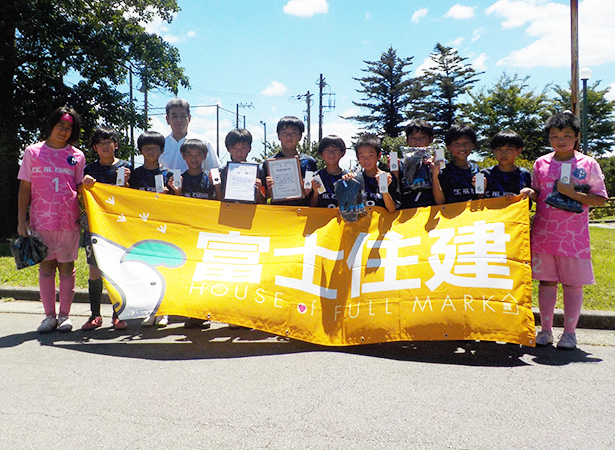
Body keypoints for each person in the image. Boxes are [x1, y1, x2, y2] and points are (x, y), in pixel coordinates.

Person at [532, 111, 608, 349]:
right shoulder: (540, 163)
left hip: (574, 238)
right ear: (549, 139)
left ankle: (570, 334)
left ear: (576, 137)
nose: (560, 140)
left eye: (566, 135)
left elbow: (600, 199)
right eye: (555, 136)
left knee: (573, 285)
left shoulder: (588, 164)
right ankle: (545, 331)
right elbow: (538, 194)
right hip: (544, 235)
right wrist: (528, 193)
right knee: (546, 282)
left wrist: (572, 193)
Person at [17, 106, 87, 333]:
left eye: (69, 128)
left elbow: (80, 188)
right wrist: (21, 220)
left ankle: (65, 316)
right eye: (60, 125)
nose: (64, 130)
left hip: (69, 222)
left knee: (67, 267)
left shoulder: (77, 156)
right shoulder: (32, 152)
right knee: (46, 267)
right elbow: (25, 187)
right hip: (41, 222)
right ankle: (49, 316)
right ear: (51, 125)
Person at [81, 127, 132, 331]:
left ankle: (118, 315)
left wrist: (127, 183)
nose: (105, 146)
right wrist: (84, 185)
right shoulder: (89, 169)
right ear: (95, 147)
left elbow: (132, 198)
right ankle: (95, 315)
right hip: (94, 227)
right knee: (94, 271)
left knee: (118, 270)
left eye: (108, 142)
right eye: (100, 143)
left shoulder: (126, 167)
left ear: (116, 145)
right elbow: (81, 195)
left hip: (119, 227)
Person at [129, 131, 172, 327]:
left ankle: (164, 311)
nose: (150, 151)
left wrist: (170, 195)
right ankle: (149, 311)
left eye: (154, 147)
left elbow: (178, 204)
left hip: (162, 229)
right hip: (141, 228)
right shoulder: (134, 175)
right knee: (145, 270)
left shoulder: (168, 175)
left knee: (163, 270)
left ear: (161, 150)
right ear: (140, 151)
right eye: (146, 148)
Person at [263, 116, 317, 206]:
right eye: (284, 133)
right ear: (278, 136)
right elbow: (263, 197)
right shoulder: (269, 164)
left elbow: (315, 196)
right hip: (278, 211)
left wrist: (310, 190)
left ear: (300, 136)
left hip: (303, 211)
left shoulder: (309, 162)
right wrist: (269, 190)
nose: (288, 137)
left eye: (293, 133)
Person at [160, 98, 220, 173]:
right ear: (167, 119)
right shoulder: (161, 145)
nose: (179, 120)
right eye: (174, 116)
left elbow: (214, 170)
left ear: (189, 118)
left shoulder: (203, 141)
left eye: (182, 116)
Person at [343, 133, 398, 213]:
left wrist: (384, 189)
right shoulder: (356, 180)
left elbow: (392, 209)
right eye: (362, 156)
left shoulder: (388, 178)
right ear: (357, 157)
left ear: (379, 155)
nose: (366, 160)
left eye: (370, 155)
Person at [432, 124, 480, 205]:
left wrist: (481, 188)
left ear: (473, 145)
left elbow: (480, 198)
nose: (462, 147)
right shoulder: (444, 171)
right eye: (456, 143)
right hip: (451, 212)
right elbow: (440, 202)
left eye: (466, 143)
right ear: (448, 147)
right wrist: (434, 176)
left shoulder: (476, 169)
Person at [480, 130, 533, 200]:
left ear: (519, 151)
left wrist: (530, 192)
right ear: (493, 151)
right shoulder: (484, 174)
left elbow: (536, 198)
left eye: (509, 150)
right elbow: (478, 201)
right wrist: (480, 190)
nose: (503, 154)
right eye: (499, 150)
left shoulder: (525, 175)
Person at [395, 119, 437, 208]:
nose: (417, 142)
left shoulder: (436, 162)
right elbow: (396, 195)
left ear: (431, 139)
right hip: (407, 211)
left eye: (423, 137)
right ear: (407, 140)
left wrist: (435, 170)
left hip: (431, 211)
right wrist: (394, 172)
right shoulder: (401, 165)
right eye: (413, 138)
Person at [219, 129, 266, 203]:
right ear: (228, 149)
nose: (239, 152)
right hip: (229, 210)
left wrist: (258, 191)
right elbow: (216, 201)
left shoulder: (258, 171)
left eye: (243, 148)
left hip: (250, 210)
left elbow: (265, 203)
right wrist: (217, 184)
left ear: (249, 149)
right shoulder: (221, 172)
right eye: (234, 148)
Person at [309, 135, 347, 208]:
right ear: (321, 154)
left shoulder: (348, 177)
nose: (331, 154)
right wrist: (315, 194)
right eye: (327, 150)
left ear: (342, 153)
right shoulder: (315, 177)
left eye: (335, 150)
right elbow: (310, 207)